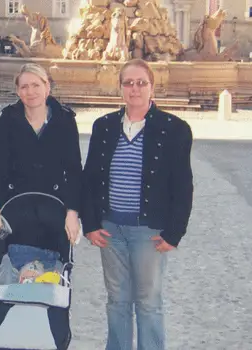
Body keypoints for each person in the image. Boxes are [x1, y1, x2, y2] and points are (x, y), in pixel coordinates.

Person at [80, 58, 194, 350]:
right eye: (128, 83)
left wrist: (174, 233)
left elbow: (183, 185)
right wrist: (91, 223)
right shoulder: (104, 126)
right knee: (116, 300)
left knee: (148, 300)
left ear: (152, 88)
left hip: (149, 230)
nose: (134, 89)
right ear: (120, 88)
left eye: (141, 83)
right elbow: (90, 178)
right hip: (110, 229)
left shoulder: (174, 128)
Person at [0, 63, 83, 284]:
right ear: (18, 91)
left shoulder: (65, 120)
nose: (31, 92)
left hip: (53, 208)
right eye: (25, 87)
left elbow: (74, 170)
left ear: (47, 87)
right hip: (17, 208)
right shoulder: (9, 119)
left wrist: (73, 212)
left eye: (36, 85)